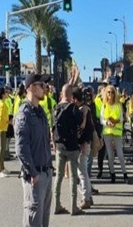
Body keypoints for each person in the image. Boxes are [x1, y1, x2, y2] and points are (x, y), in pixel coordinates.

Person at [15, 74, 53, 227]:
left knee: (43, 221)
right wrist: (32, 172)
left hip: (46, 172)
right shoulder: (24, 114)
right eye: (41, 85)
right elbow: (21, 148)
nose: (45, 88)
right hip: (35, 175)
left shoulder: (40, 111)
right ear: (31, 87)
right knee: (33, 220)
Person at [52, 83, 84, 216]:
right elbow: (81, 124)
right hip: (71, 146)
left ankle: (57, 204)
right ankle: (73, 206)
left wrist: (54, 144)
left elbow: (52, 128)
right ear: (71, 94)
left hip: (59, 146)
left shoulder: (56, 107)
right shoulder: (73, 108)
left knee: (58, 176)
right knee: (72, 177)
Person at [100, 85, 129, 184]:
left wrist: (116, 121)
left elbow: (122, 118)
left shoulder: (118, 105)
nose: (110, 94)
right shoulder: (104, 105)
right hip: (107, 133)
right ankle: (112, 173)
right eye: (108, 92)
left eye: (112, 92)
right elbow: (101, 119)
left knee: (120, 155)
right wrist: (107, 122)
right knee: (110, 155)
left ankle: (125, 174)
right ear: (106, 94)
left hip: (117, 132)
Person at [0, 87, 10, 177]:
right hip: (1, 128)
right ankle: (0, 169)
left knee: (3, 148)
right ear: (2, 94)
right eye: (5, 93)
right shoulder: (1, 104)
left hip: (3, 128)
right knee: (1, 149)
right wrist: (8, 121)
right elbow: (1, 118)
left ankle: (3, 167)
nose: (7, 94)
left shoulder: (2, 103)